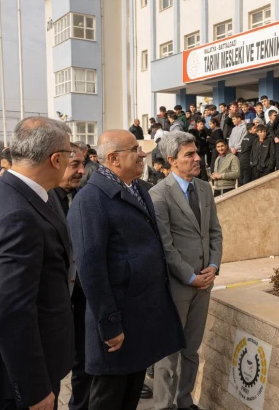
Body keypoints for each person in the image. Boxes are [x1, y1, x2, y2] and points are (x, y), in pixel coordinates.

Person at [67, 130, 184, 410]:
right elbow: (91, 269)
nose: (143, 154)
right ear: (113, 158)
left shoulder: (139, 189)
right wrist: (109, 325)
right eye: (135, 150)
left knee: (130, 397)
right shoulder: (90, 200)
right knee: (108, 398)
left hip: (140, 319)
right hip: (117, 324)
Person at [0, 117, 75, 410]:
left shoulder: (9, 189)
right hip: (12, 382)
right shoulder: (17, 215)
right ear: (55, 159)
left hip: (14, 368)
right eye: (69, 155)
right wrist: (34, 389)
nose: (70, 162)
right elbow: (13, 312)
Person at [150, 132, 223, 410]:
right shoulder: (158, 195)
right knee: (168, 354)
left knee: (191, 349)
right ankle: (163, 405)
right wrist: (190, 277)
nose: (197, 159)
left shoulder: (204, 189)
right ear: (171, 161)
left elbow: (215, 232)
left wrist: (213, 267)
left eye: (196, 153)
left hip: (204, 286)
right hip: (177, 287)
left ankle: (184, 401)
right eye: (189, 155)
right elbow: (165, 246)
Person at [45, 143, 90, 410]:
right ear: (57, 162)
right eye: (75, 165)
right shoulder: (41, 201)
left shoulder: (85, 197)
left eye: (83, 164)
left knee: (83, 362)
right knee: (52, 365)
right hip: (55, 301)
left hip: (84, 297)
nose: (82, 171)